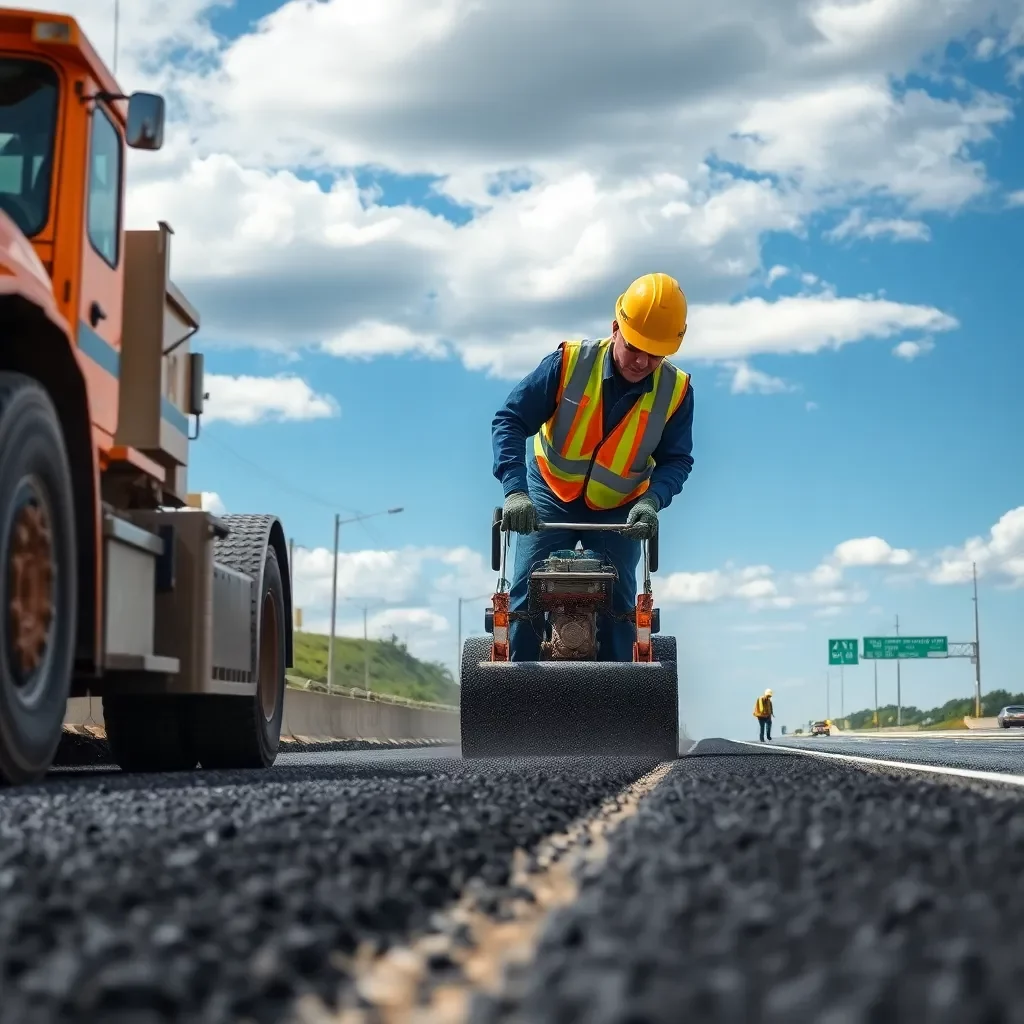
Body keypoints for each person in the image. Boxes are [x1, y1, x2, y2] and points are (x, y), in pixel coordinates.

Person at [490, 272, 695, 662]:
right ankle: (515, 704)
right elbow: (510, 420)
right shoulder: (568, 364)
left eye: (655, 354)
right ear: (616, 327)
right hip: (550, 494)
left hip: (622, 508)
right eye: (634, 347)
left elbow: (677, 459)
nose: (642, 361)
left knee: (622, 608)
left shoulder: (677, 391)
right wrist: (515, 491)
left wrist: (652, 501)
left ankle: (617, 705)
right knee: (524, 598)